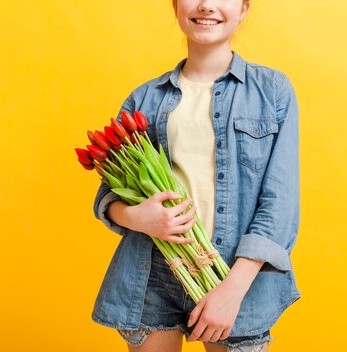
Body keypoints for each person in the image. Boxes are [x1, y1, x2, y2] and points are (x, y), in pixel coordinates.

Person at [91, 1, 301, 351]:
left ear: (244, 9)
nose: (207, 5)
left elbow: (280, 204)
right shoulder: (144, 98)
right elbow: (109, 194)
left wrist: (231, 291)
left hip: (234, 277)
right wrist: (136, 217)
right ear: (175, 7)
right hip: (153, 275)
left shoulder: (272, 90)